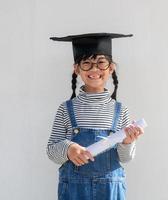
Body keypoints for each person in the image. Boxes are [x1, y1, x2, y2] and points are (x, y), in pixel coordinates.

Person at [46, 33, 144, 200]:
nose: (94, 69)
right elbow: (51, 151)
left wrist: (128, 142)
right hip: (74, 191)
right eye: (87, 63)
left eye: (100, 63)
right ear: (76, 69)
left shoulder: (121, 111)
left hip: (110, 191)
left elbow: (125, 158)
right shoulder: (65, 109)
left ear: (111, 67)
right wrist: (69, 149)